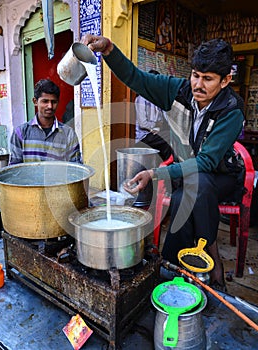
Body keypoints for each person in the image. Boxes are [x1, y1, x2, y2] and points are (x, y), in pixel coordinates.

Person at [81, 34, 245, 289]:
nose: (198, 85)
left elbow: (207, 163)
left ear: (225, 80)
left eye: (208, 79)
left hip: (221, 177)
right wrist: (110, 50)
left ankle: (194, 263)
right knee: (183, 198)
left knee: (196, 187)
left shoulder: (232, 110)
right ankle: (179, 268)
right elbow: (136, 78)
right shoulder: (178, 91)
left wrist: (154, 173)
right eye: (195, 75)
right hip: (188, 179)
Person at [9, 79, 81, 164]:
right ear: (35, 102)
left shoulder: (69, 134)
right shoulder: (20, 133)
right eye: (45, 101)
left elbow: (75, 170)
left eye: (53, 102)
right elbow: (14, 170)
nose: (50, 106)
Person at [135, 69, 172, 161]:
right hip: (144, 136)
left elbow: (167, 116)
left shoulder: (158, 99)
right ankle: (167, 166)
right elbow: (142, 124)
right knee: (167, 140)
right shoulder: (141, 99)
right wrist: (154, 127)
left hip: (155, 133)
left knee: (174, 137)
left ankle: (168, 167)